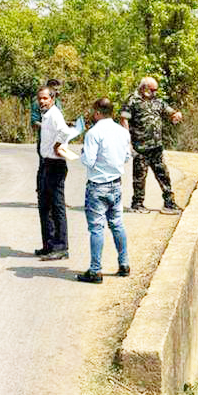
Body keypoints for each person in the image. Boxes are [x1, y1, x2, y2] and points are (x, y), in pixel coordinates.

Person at [76, 98, 131, 284]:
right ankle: (124, 263)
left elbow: (88, 161)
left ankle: (95, 270)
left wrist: (83, 153)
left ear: (98, 112)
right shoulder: (123, 132)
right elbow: (126, 157)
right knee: (117, 224)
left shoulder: (93, 133)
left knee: (97, 228)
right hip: (116, 184)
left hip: (98, 185)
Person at [120, 76, 184, 215]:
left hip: (156, 148)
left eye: (156, 90)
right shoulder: (132, 100)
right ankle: (137, 204)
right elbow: (124, 119)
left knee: (164, 175)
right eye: (152, 90)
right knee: (140, 178)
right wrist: (127, 142)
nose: (155, 92)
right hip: (140, 147)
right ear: (144, 88)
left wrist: (176, 115)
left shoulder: (157, 101)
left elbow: (171, 112)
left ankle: (169, 203)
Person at [36, 85, 73, 261]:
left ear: (52, 99)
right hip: (46, 163)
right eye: (40, 98)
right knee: (45, 205)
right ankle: (49, 244)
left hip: (55, 164)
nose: (42, 101)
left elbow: (65, 132)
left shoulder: (55, 114)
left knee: (57, 206)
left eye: (45, 98)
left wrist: (58, 145)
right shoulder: (47, 115)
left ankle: (61, 247)